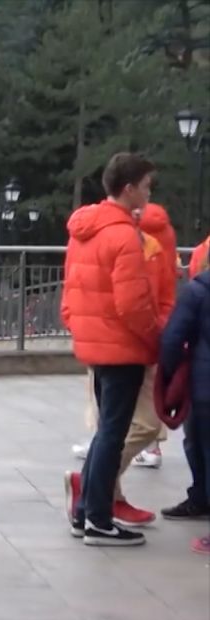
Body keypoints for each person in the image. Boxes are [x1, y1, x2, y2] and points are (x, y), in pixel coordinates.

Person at [60, 153, 161, 547]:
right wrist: (155, 338)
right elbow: (133, 305)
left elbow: (70, 292)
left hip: (97, 345)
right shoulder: (123, 235)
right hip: (122, 347)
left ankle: (87, 512)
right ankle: (98, 520)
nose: (150, 193)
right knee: (112, 435)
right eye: (147, 186)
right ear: (129, 188)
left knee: (107, 432)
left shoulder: (84, 230)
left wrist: (80, 326)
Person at [158, 265, 210, 537]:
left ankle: (200, 498)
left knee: (198, 444)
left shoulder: (197, 291)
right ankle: (200, 498)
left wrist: (173, 372)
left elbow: (172, 339)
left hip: (204, 386)